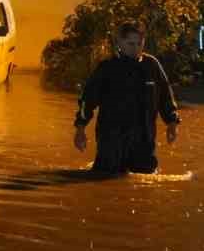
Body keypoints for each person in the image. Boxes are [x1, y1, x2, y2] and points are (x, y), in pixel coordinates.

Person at [73, 23, 181, 174]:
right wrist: (80, 129)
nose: (135, 48)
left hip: (144, 140)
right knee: (105, 180)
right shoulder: (107, 67)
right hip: (112, 141)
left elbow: (166, 97)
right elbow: (87, 100)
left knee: (145, 183)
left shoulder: (151, 65)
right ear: (119, 42)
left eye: (139, 44)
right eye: (130, 44)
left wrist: (172, 123)